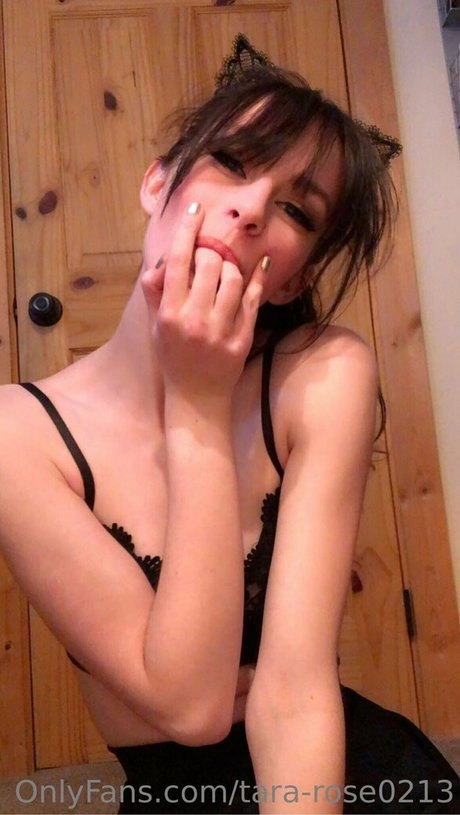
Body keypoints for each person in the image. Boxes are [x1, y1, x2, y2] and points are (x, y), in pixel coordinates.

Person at [0, 35, 458, 815]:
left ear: (293, 280)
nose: (250, 208)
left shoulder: (323, 374)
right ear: (157, 183)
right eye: (232, 162)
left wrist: (201, 400)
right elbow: (191, 706)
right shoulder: (18, 433)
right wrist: (200, 406)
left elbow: (294, 692)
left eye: (296, 210)